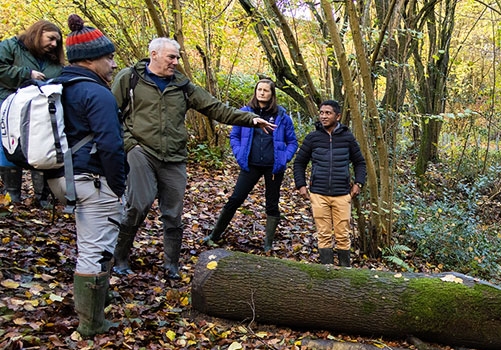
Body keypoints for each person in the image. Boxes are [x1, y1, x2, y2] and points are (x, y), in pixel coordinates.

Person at [110, 37, 276, 281]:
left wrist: (250, 119)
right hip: (141, 150)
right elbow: (112, 112)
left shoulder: (182, 85)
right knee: (138, 204)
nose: (176, 62)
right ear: (154, 54)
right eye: (171, 57)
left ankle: (171, 264)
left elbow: (215, 108)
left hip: (174, 156)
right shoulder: (130, 78)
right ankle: (120, 257)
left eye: (177, 57)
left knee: (173, 211)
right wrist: (128, 143)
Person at [49, 15, 126, 336]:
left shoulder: (55, 86)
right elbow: (110, 145)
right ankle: (91, 323)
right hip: (92, 179)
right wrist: (118, 185)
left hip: (58, 177)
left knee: (89, 243)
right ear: (90, 59)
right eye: (108, 58)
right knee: (95, 248)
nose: (112, 64)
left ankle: (97, 304)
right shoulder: (97, 94)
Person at [204, 79, 298, 251]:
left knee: (272, 204)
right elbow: (234, 136)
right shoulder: (245, 112)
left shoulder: (281, 116)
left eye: (266, 90)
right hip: (250, 165)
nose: (262, 93)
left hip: (273, 167)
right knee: (235, 199)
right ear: (255, 92)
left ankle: (268, 244)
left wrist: (284, 158)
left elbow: (292, 142)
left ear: (272, 94)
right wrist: (239, 154)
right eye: (259, 90)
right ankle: (214, 235)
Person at [292, 100, 366, 267]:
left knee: (342, 235)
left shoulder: (348, 138)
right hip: (318, 193)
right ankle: (327, 274)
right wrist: (301, 185)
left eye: (328, 113)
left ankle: (345, 273)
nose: (323, 116)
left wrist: (358, 183)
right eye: (322, 113)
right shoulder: (313, 138)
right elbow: (299, 163)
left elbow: (360, 162)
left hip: (342, 194)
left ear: (337, 116)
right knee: (324, 234)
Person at [0, 19, 65, 207]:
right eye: (51, 38)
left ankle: (42, 196)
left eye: (57, 41)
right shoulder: (11, 46)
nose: (54, 44)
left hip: (41, 110)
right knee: (9, 145)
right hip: (8, 104)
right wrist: (27, 74)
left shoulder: (53, 59)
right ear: (38, 33)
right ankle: (11, 194)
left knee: (42, 146)